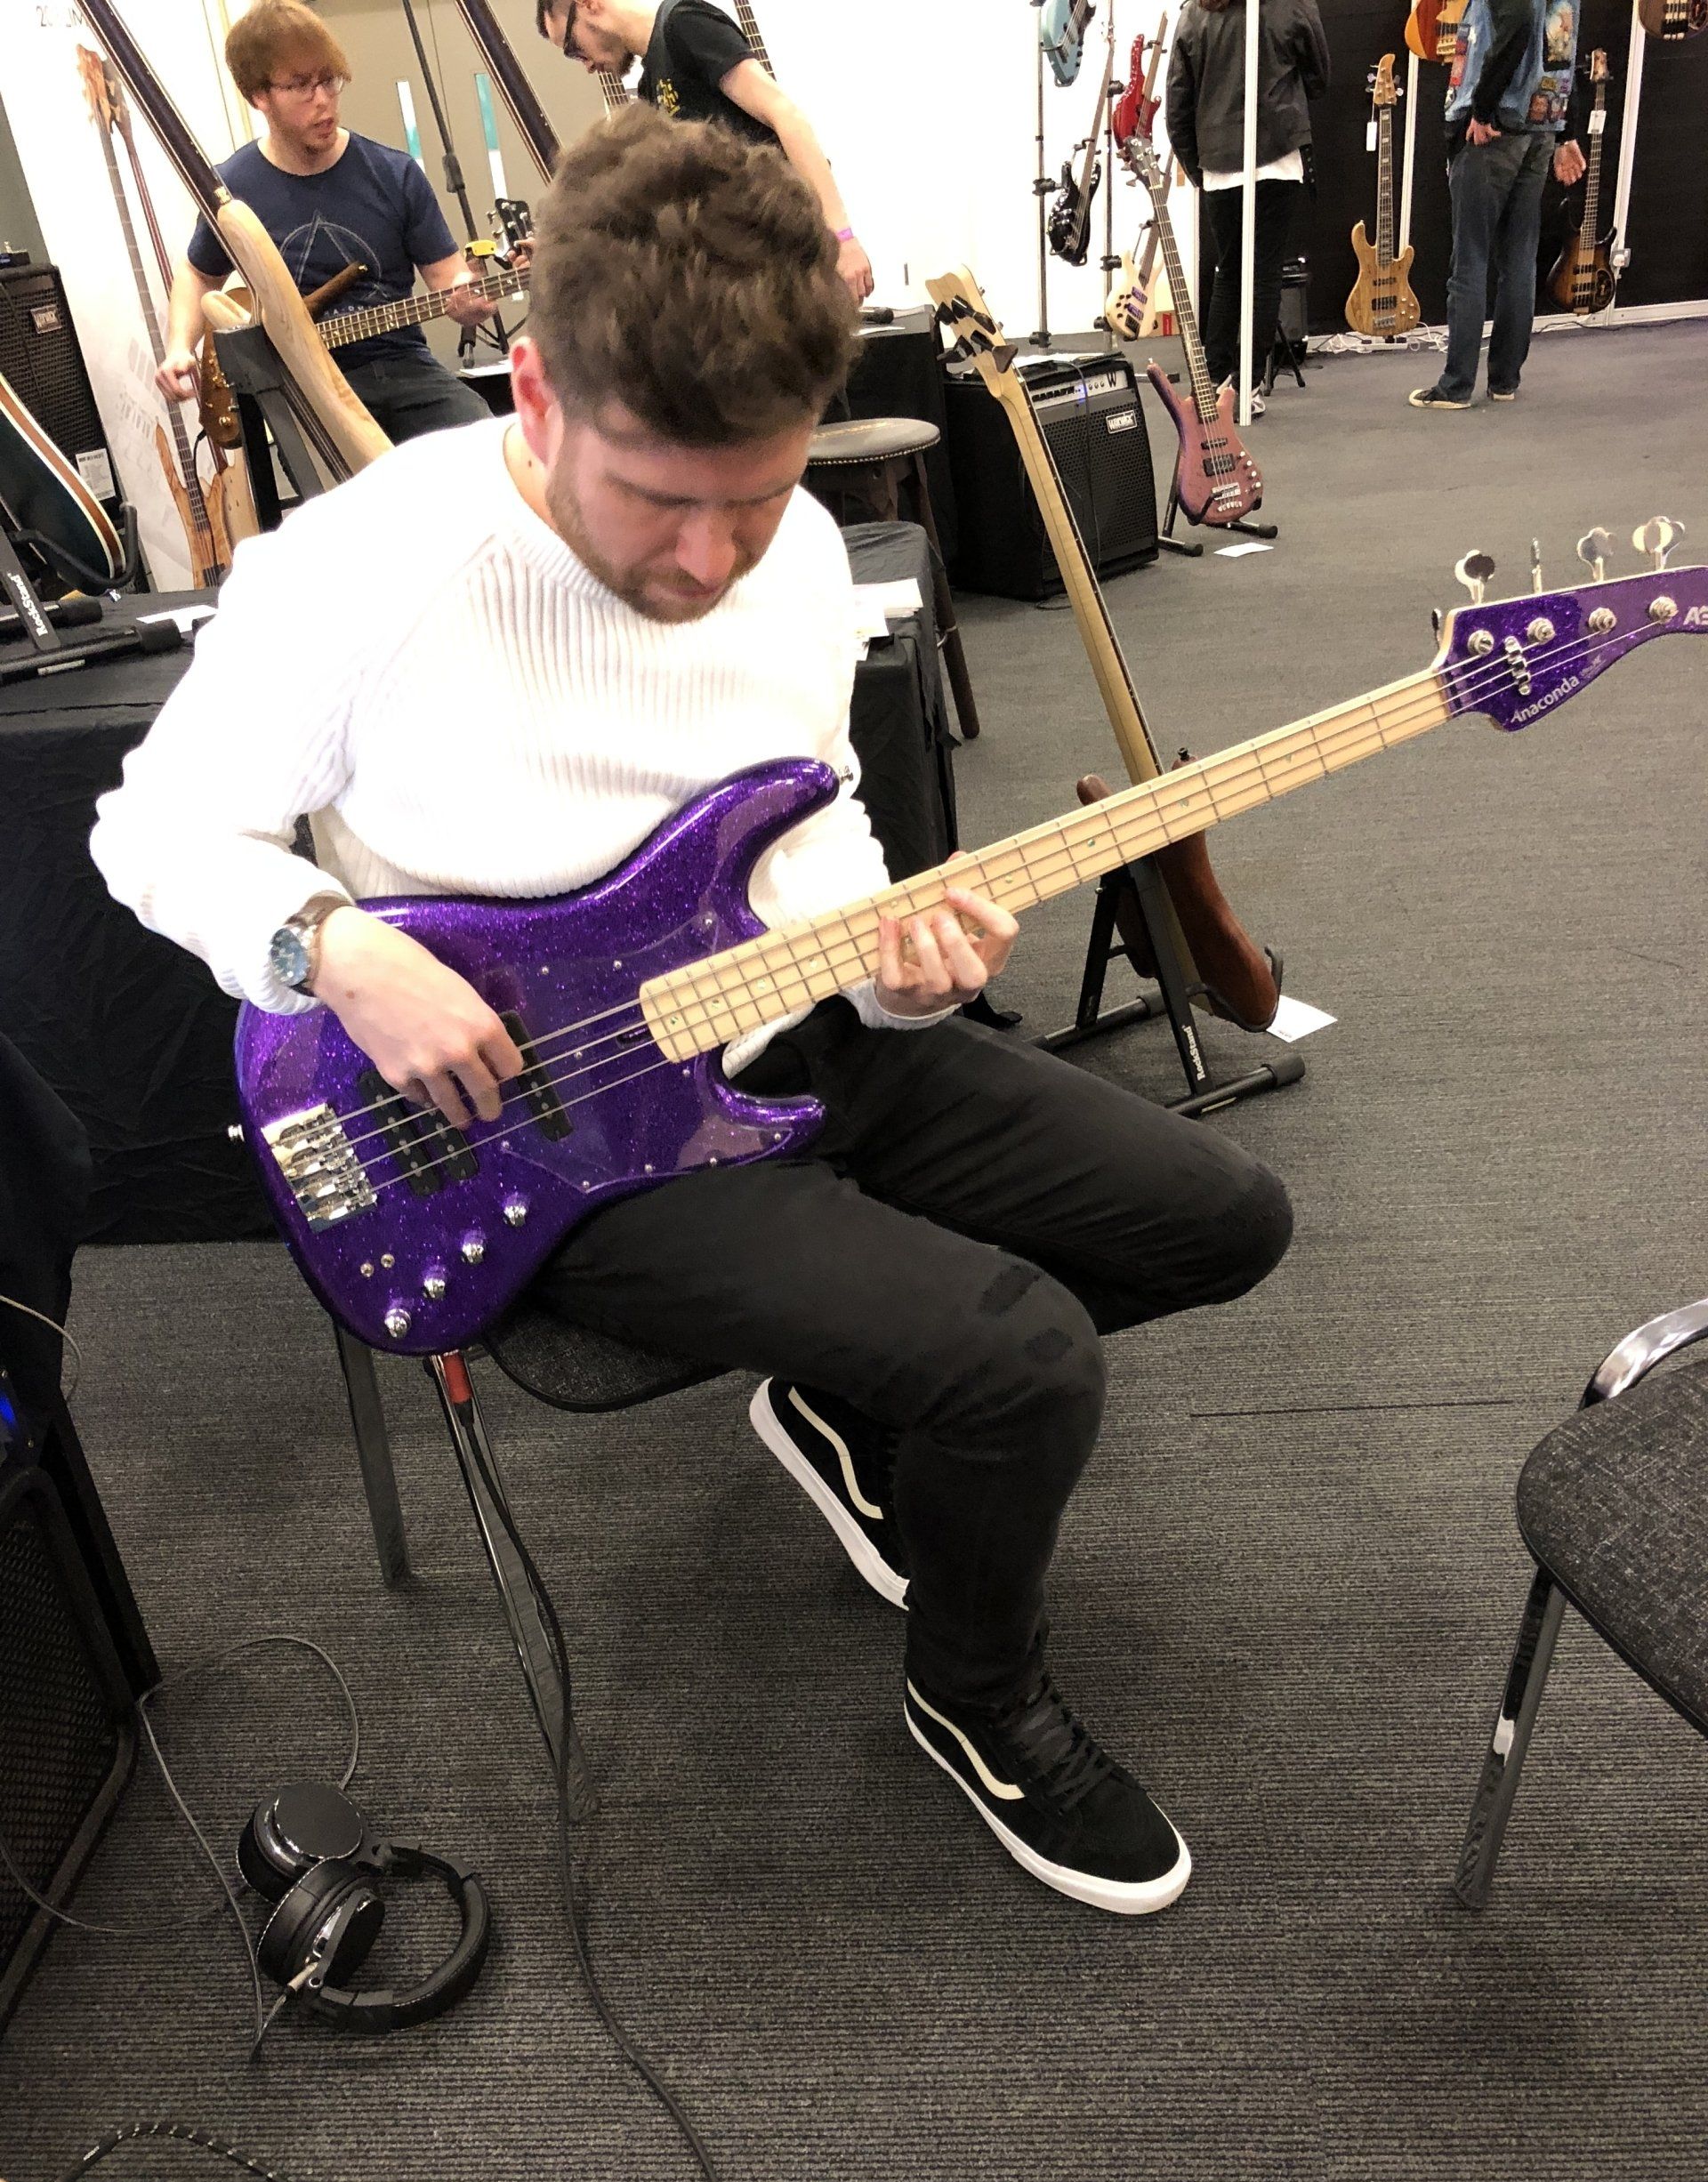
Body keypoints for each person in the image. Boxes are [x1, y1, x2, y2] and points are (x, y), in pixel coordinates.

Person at [93, 109, 1291, 1919]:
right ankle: (976, 1698)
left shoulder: (793, 550)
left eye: (757, 493)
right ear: (535, 391)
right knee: (1028, 1361)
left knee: (1223, 1218)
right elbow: (152, 834)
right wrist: (327, 944)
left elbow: (816, 806)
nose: (714, 556)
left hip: (796, 1026)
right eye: (664, 501)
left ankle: (848, 1416)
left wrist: (898, 952)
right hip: (551, 1133)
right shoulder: (362, 572)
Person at [155, 0, 497, 447]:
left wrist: (468, 299)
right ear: (259, 96)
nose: (323, 101)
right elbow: (199, 273)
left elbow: (448, 277)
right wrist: (179, 347)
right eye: (301, 85)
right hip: (304, 384)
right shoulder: (233, 188)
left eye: (329, 80)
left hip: (402, 367)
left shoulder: (395, 174)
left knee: (484, 440)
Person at [536, 0, 874, 303]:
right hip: (747, 272)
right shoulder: (650, 85)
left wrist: (842, 237)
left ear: (589, 4)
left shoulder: (685, 23)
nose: (585, 65)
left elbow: (784, 114)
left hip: (785, 254)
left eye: (573, 48)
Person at [1408, 0, 1587, 408]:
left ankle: (1456, 386)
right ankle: (1505, 380)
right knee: (1519, 259)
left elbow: (1521, 20)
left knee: (1470, 260)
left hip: (1496, 127)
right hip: (1541, 124)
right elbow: (1562, 44)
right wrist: (1565, 130)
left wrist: (1483, 108)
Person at [1166, 0, 1330, 410]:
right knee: (1263, 273)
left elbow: (1177, 104)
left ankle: (1212, 382)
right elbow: (1319, 76)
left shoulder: (1196, 13)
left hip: (1220, 162)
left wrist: (1200, 167)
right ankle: (1246, 388)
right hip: (1277, 156)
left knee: (1230, 271)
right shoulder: (1291, 4)